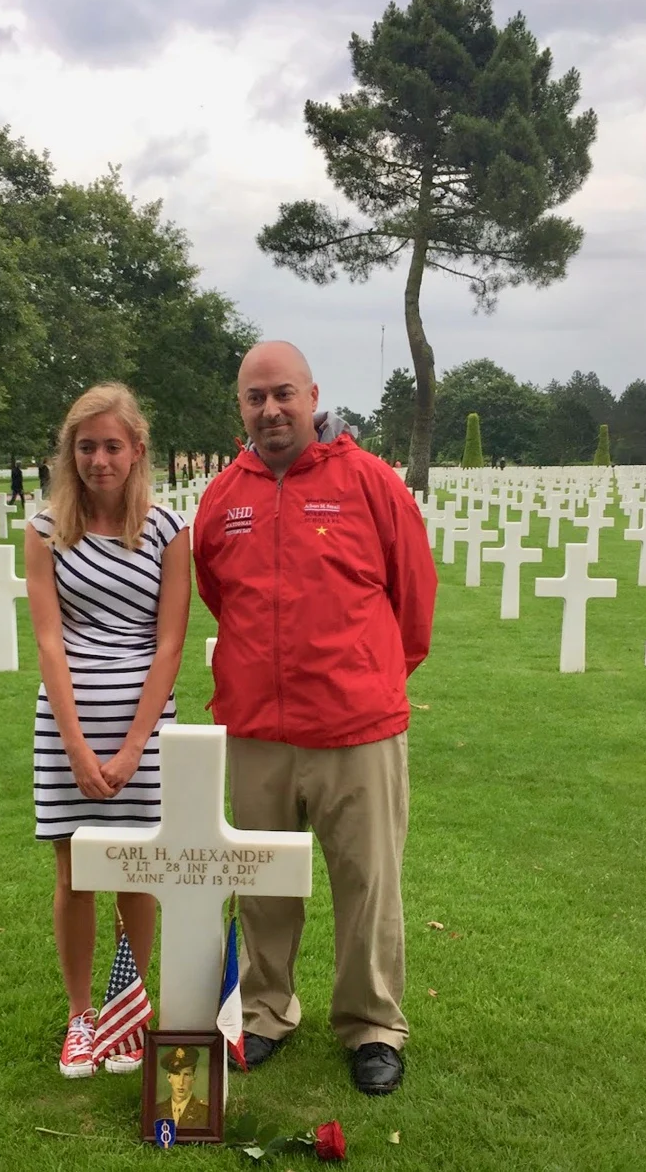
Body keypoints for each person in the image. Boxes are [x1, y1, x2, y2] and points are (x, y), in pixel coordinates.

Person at [192, 341, 437, 1097]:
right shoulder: (223, 497)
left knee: (367, 882)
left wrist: (367, 676)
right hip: (257, 729)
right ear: (241, 407)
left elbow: (413, 597)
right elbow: (218, 595)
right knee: (263, 882)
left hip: (355, 727)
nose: (271, 410)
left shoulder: (368, 482)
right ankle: (265, 1009)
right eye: (255, 397)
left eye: (283, 394)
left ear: (312, 396)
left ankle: (372, 1024)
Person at [24, 382, 190, 1079]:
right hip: (69, 726)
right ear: (70, 452)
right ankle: (80, 1017)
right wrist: (77, 746)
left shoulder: (167, 531)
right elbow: (50, 641)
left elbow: (170, 644)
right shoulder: (44, 530)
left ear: (137, 450)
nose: (99, 460)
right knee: (75, 876)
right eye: (86, 446)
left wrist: (130, 749)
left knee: (138, 873)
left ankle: (128, 1011)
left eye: (112, 446)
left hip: (142, 731)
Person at [154, 1046, 211, 1129]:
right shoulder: (156, 1111)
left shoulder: (206, 1113)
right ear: (169, 1077)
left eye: (186, 1074)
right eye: (176, 1074)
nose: (181, 1082)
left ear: (193, 1078)